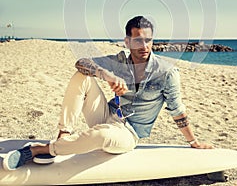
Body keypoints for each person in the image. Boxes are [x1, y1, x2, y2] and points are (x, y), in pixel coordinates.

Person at [3, 15, 212, 171]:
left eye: (148, 40)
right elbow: (81, 63)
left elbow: (177, 111)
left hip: (128, 132)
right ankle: (63, 136)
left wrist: (193, 142)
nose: (144, 46)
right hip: (105, 114)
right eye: (138, 40)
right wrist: (107, 75)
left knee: (102, 135)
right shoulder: (119, 61)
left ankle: (40, 150)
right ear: (127, 42)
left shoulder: (167, 72)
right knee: (82, 76)